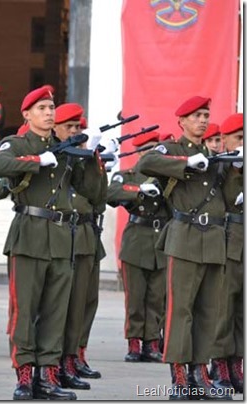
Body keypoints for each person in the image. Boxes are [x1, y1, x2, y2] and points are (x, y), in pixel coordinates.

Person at [0, 85, 105, 400]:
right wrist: (37, 161)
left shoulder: (66, 146)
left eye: (51, 108)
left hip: (62, 238)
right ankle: (25, 376)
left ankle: (48, 375)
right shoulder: (16, 143)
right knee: (25, 310)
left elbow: (93, 193)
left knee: (57, 312)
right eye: (41, 108)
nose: (49, 113)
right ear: (26, 114)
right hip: (30, 233)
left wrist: (91, 156)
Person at [136, 96, 240, 400]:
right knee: (180, 311)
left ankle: (199, 373)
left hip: (214, 241)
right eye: (196, 116)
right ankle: (180, 376)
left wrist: (235, 169)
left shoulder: (213, 155)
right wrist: (185, 163)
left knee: (209, 311)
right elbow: (146, 163)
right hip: (185, 237)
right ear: (182, 122)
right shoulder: (173, 149)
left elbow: (228, 197)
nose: (203, 121)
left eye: (206, 115)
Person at [53, 103, 108, 390]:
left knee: (85, 302)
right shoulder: (56, 156)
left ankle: (75, 355)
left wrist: (93, 158)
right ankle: (58, 360)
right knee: (63, 303)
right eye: (69, 127)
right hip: (63, 232)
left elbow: (98, 197)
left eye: (78, 127)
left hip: (87, 233)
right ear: (56, 128)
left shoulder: (84, 156)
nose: (75, 132)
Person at [107, 130, 169, 364]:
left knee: (156, 298)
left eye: (156, 149)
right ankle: (134, 342)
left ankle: (152, 343)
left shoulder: (166, 178)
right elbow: (111, 194)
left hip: (161, 241)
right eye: (148, 150)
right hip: (136, 240)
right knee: (135, 298)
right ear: (140, 153)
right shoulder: (127, 176)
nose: (153, 154)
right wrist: (139, 190)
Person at [209, 112, 243, 394]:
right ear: (227, 141)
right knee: (224, 306)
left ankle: (237, 362)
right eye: (240, 138)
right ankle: (218, 362)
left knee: (242, 310)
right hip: (228, 241)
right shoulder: (218, 166)